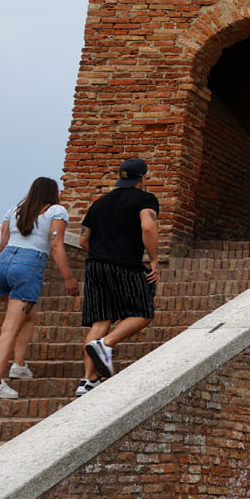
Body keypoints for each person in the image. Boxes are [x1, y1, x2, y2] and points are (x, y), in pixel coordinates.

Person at [0, 177, 78, 400]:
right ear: (52, 193)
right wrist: (69, 278)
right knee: (10, 327)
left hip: (3, 263)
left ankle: (19, 364)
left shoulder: (15, 210)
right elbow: (56, 244)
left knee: (29, 314)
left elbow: (2, 244)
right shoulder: (56, 211)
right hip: (27, 266)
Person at [77, 158, 161, 394]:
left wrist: (101, 254)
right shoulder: (145, 199)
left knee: (101, 321)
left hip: (94, 266)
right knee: (143, 313)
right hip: (124, 265)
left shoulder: (99, 203)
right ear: (143, 178)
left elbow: (83, 239)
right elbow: (148, 227)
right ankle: (106, 344)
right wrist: (154, 259)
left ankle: (88, 380)